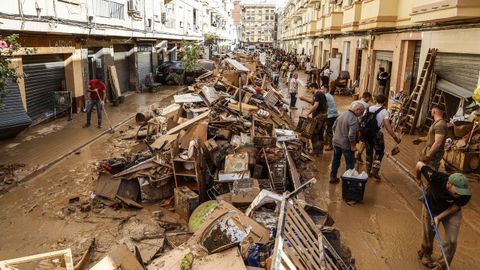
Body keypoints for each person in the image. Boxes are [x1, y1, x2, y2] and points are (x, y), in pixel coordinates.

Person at [415, 161, 471, 270]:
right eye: (457, 192)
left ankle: (442, 265)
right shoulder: (435, 178)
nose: (460, 194)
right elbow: (419, 164)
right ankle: (426, 253)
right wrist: (418, 178)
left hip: (451, 211)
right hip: (431, 206)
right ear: (449, 184)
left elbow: (456, 206)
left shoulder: (464, 194)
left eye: (462, 192)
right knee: (428, 232)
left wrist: (439, 217)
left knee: (452, 240)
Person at [363, 94, 401, 179]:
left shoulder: (368, 108)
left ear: (376, 100)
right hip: (377, 135)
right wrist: (395, 137)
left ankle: (368, 171)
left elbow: (363, 121)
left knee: (369, 151)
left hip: (367, 133)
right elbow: (387, 126)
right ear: (384, 102)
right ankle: (375, 170)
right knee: (379, 152)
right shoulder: (384, 111)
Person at [330, 101, 365, 184]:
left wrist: (336, 137)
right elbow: (351, 135)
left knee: (336, 160)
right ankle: (347, 182)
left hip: (336, 142)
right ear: (358, 110)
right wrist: (353, 146)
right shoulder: (353, 118)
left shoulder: (342, 114)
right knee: (349, 164)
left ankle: (333, 177)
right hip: (346, 145)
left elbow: (333, 127)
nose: (361, 114)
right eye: (361, 112)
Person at [414, 104, 447, 170]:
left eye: (432, 110)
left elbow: (438, 143)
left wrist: (428, 156)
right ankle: (420, 180)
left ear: (434, 111)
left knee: (431, 171)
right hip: (430, 150)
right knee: (422, 167)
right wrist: (420, 139)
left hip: (435, 153)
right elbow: (431, 137)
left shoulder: (440, 125)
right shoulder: (437, 123)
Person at [300, 83, 328, 155]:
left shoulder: (317, 94)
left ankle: (315, 151)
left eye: (310, 89)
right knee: (320, 133)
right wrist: (304, 99)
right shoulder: (322, 94)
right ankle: (320, 151)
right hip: (324, 116)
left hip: (318, 117)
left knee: (314, 133)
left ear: (313, 88)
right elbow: (314, 102)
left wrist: (308, 113)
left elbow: (316, 105)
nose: (309, 91)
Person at [356, 92, 373, 163]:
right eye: (369, 98)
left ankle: (354, 155)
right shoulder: (367, 106)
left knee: (354, 139)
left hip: (352, 122)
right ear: (367, 97)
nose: (370, 99)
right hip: (360, 124)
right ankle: (358, 154)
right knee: (364, 140)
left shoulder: (355, 102)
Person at [321, 85, 338, 151]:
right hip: (333, 114)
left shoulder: (326, 96)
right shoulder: (329, 95)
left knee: (329, 130)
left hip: (331, 115)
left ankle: (330, 146)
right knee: (328, 129)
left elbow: (323, 105)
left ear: (325, 89)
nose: (321, 90)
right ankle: (326, 142)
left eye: (322, 89)